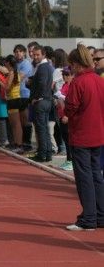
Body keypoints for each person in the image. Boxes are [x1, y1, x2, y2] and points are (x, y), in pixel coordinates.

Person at [64, 44, 104, 231]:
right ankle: (100, 215)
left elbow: (70, 108)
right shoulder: (99, 80)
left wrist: (65, 111)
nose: (70, 69)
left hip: (81, 135)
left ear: (76, 64)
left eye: (71, 65)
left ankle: (88, 218)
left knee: (84, 178)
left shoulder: (78, 83)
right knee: (96, 175)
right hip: (98, 134)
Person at [27, 45, 53, 162]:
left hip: (41, 101)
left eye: (38, 54)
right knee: (45, 128)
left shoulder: (42, 67)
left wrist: (36, 98)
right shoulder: (47, 66)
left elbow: (42, 84)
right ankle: (47, 153)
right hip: (47, 101)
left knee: (41, 129)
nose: (35, 56)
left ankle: (42, 154)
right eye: (34, 54)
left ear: (43, 54)